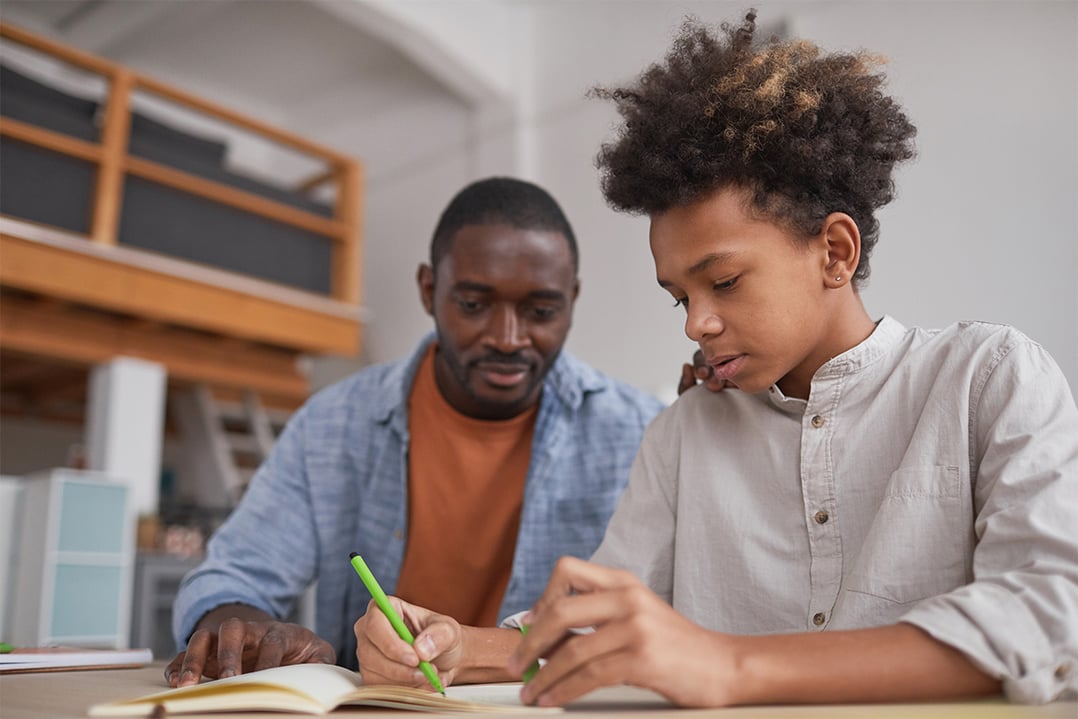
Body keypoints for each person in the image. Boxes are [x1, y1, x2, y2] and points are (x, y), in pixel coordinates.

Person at [361, 12, 1078, 707]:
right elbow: (598, 626)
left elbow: (1050, 618)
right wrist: (460, 645)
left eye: (725, 282)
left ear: (834, 251)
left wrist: (730, 664)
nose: (697, 322)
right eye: (679, 296)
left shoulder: (989, 380)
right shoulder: (683, 435)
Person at [165, 177, 664, 687]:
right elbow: (232, 575)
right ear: (429, 290)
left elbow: (666, 620)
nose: (508, 338)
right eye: (473, 304)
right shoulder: (334, 424)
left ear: (572, 299)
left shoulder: (642, 432)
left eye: (541, 312)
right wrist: (248, 630)